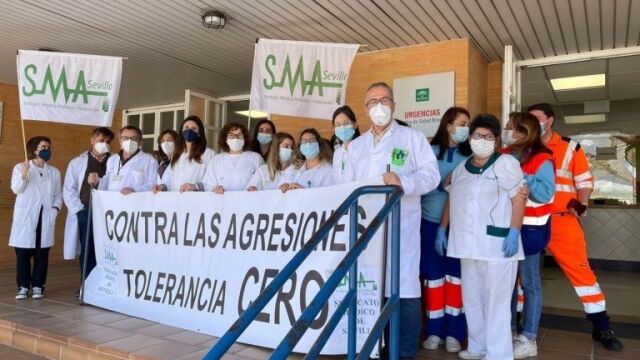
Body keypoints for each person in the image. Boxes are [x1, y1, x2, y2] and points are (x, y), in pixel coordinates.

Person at [344, 82, 440, 359]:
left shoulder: (413, 138)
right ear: (365, 109)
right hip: (365, 231)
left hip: (402, 228)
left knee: (405, 290)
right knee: (370, 291)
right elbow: (346, 186)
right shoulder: (357, 146)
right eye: (373, 102)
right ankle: (373, 349)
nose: (379, 107)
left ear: (394, 106)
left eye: (385, 100)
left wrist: (404, 182)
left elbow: (431, 176)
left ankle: (404, 352)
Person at [528, 103, 623, 351]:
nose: (531, 122)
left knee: (581, 273)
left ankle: (601, 327)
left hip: (562, 220)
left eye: (536, 118)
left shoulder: (570, 147)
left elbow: (583, 181)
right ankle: (522, 323)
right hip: (529, 219)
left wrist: (581, 203)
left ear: (549, 120)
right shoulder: (523, 146)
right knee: (523, 277)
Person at [440, 114, 525, 360]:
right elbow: (451, 197)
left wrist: (514, 232)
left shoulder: (505, 163)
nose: (482, 140)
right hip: (467, 246)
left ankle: (498, 354)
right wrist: (442, 229)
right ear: (471, 138)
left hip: (498, 246)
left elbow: (519, 197)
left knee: (496, 303)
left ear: (496, 140)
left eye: (488, 136)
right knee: (473, 299)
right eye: (477, 135)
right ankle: (477, 347)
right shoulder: (462, 168)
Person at [502, 112, 555, 358]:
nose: (508, 131)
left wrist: (524, 176)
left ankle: (529, 338)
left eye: (512, 128)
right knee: (508, 284)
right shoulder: (504, 154)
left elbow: (545, 194)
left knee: (530, 283)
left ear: (525, 132)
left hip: (531, 229)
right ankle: (509, 331)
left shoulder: (543, 158)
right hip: (505, 228)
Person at [420, 107, 472, 353]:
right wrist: (443, 184)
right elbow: (419, 187)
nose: (466, 128)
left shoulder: (470, 154)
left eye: (468, 124)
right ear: (448, 125)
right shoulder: (429, 152)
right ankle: (433, 330)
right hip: (430, 223)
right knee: (434, 280)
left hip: (460, 226)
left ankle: (454, 333)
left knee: (456, 280)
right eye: (462, 123)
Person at [10, 136, 62, 300]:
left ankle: (38, 286)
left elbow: (58, 195)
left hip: (45, 218)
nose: (47, 149)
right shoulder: (20, 167)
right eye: (44, 146)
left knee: (42, 255)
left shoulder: (54, 172)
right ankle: (23, 287)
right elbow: (16, 189)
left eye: (49, 146)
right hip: (26, 219)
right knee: (23, 255)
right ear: (34, 150)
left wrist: (54, 210)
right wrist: (24, 175)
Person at [63, 127, 114, 290]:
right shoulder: (77, 162)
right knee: (88, 250)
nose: (104, 144)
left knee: (108, 251)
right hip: (86, 211)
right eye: (101, 141)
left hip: (109, 214)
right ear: (92, 140)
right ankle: (87, 286)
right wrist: (79, 210)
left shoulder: (114, 161)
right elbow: (68, 189)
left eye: (107, 142)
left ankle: (106, 286)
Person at [152, 116, 215, 192]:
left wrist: (195, 186)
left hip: (195, 200)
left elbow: (211, 182)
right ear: (181, 131)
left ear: (199, 133)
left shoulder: (208, 154)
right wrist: (162, 187)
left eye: (193, 129)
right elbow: (168, 180)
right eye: (186, 127)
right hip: (175, 199)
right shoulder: (176, 154)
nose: (189, 131)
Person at [95, 125, 158, 193]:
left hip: (135, 201)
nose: (129, 141)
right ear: (120, 140)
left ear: (140, 142)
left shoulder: (149, 160)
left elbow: (153, 184)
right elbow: (107, 180)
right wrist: (97, 181)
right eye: (125, 138)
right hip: (112, 200)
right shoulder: (112, 159)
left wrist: (135, 190)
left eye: (134, 138)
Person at [206, 122, 263, 193]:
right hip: (222, 201)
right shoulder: (216, 160)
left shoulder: (256, 158)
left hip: (249, 201)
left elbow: (263, 180)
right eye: (231, 135)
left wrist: (256, 188)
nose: (236, 138)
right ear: (225, 139)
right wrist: (215, 189)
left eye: (239, 135)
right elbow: (208, 183)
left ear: (245, 139)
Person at [280, 128, 334, 192]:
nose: (308, 144)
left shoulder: (328, 170)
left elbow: (328, 196)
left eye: (311, 141)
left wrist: (304, 191)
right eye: (304, 141)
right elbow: (281, 187)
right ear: (300, 146)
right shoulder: (293, 168)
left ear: (319, 145)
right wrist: (284, 187)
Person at [332, 105, 360, 183]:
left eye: (346, 123)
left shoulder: (362, 148)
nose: (342, 128)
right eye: (338, 125)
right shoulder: (337, 153)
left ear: (355, 125)